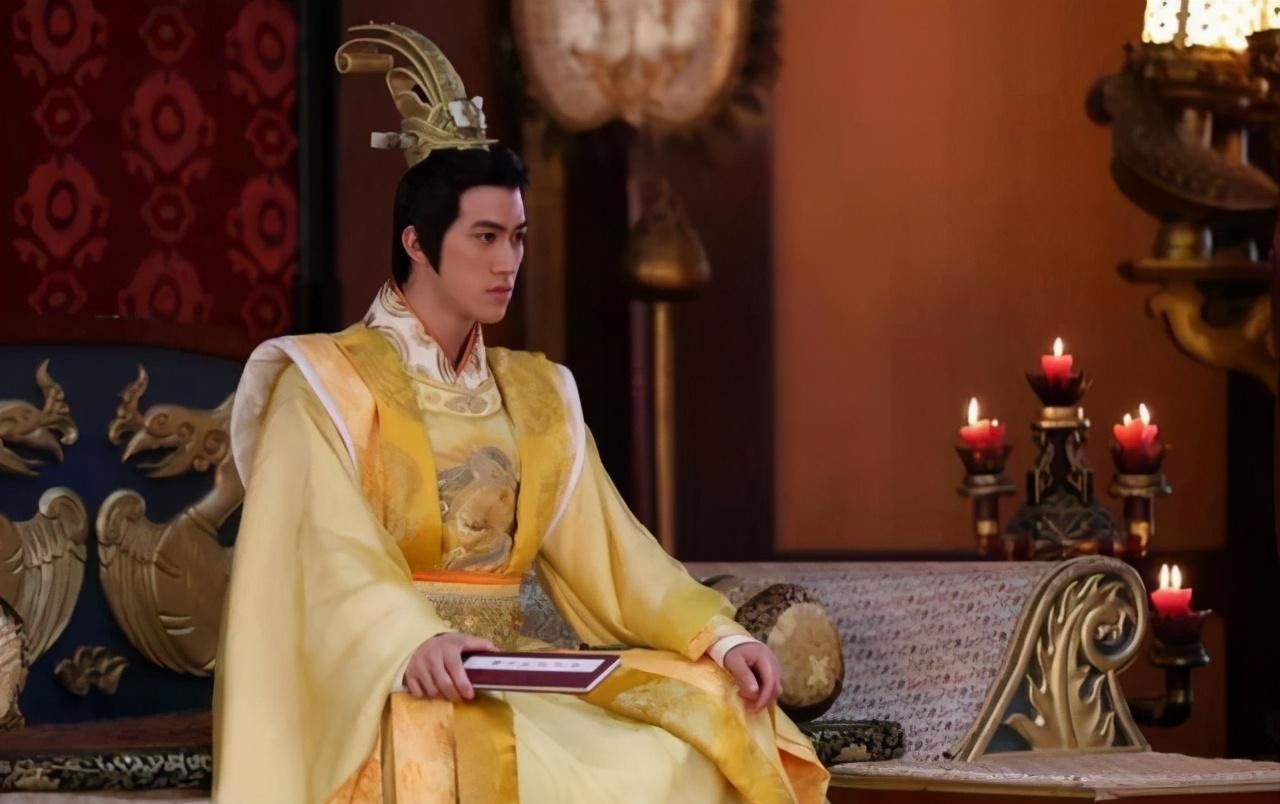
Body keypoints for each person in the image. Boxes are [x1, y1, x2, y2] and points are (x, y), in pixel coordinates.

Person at [212, 23, 828, 804]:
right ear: (417, 243)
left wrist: (720, 636)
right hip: (392, 681)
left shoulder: (535, 393)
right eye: (485, 237)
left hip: (510, 671)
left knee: (708, 720)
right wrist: (413, 640)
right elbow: (324, 558)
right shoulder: (326, 385)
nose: (508, 262)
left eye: (518, 237)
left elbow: (617, 555)